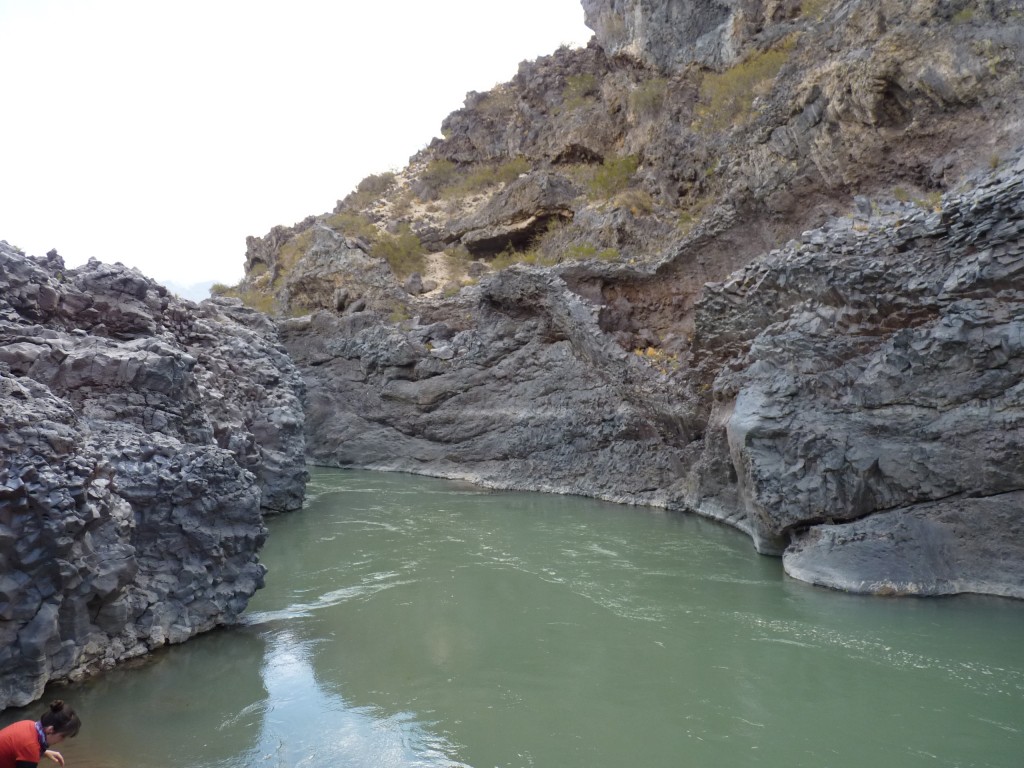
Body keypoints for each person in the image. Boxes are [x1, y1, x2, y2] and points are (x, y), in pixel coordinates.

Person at [0, 700, 81, 768]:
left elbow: (18, 748)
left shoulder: (28, 724)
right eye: (62, 736)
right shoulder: (31, 750)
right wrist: (35, 753)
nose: (62, 740)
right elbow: (27, 748)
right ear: (50, 730)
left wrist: (43, 752)